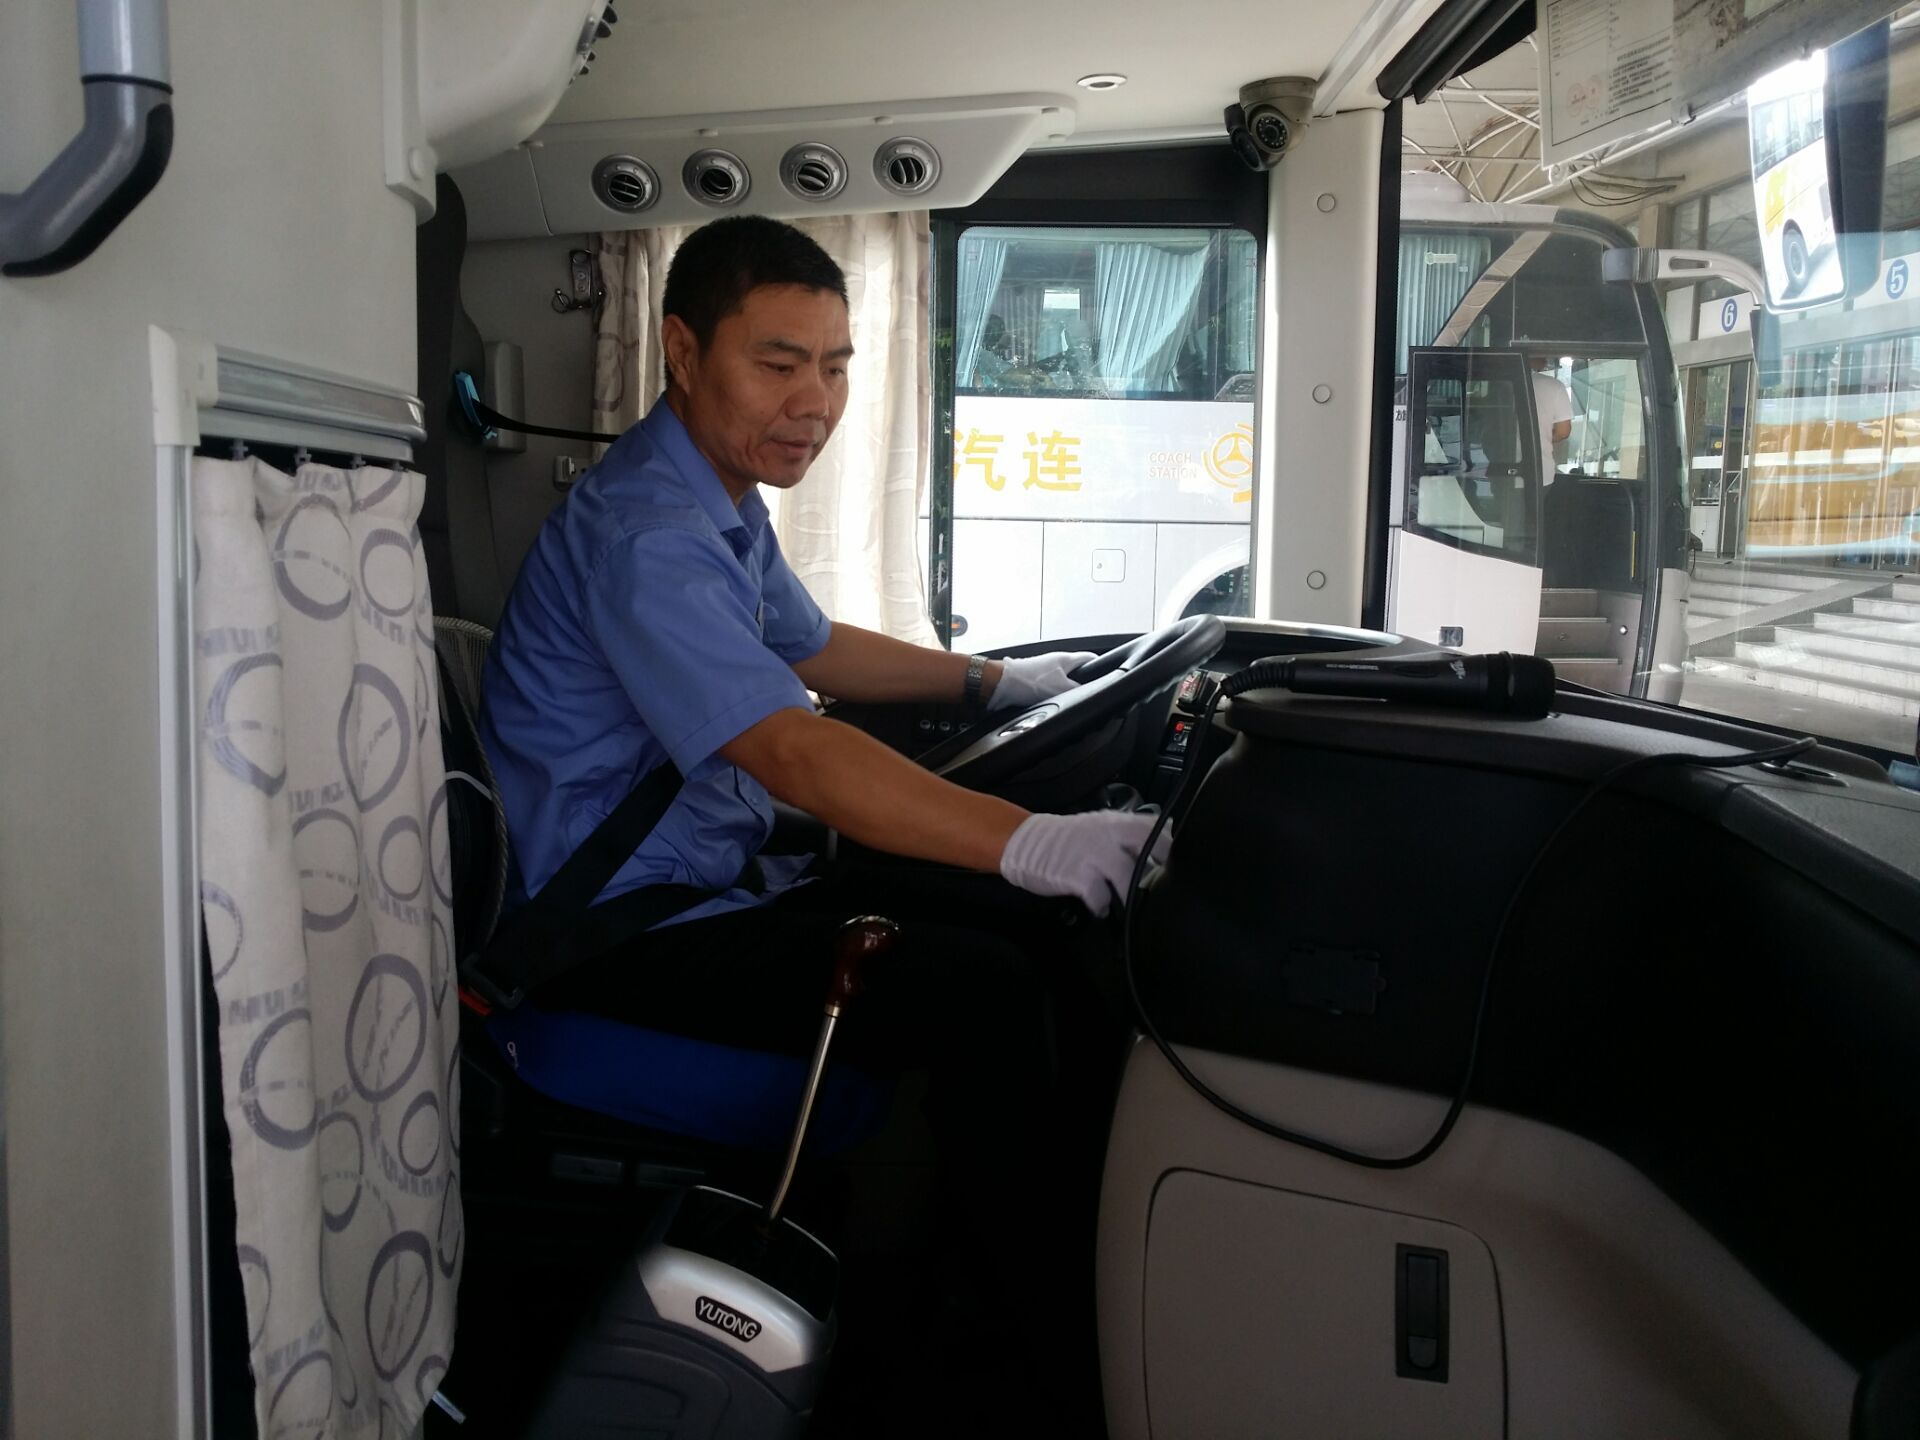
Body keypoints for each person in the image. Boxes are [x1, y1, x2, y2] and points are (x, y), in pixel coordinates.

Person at [479, 215, 1152, 1429]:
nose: (816, 403)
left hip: (706, 888)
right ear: (684, 351)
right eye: (779, 363)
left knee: (1001, 920)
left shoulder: (714, 499)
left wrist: (994, 682)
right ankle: (1022, 1361)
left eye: (836, 366)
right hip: (624, 933)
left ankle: (997, 1295)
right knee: (991, 988)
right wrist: (1031, 838)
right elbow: (789, 745)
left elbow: (812, 644)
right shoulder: (648, 536)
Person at [1532, 358, 1574, 479]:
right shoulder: (1553, 386)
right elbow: (1563, 432)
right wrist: (1542, 438)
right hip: (1539, 471)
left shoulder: (1497, 383)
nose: (1546, 361)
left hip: (1499, 470)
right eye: (1545, 356)